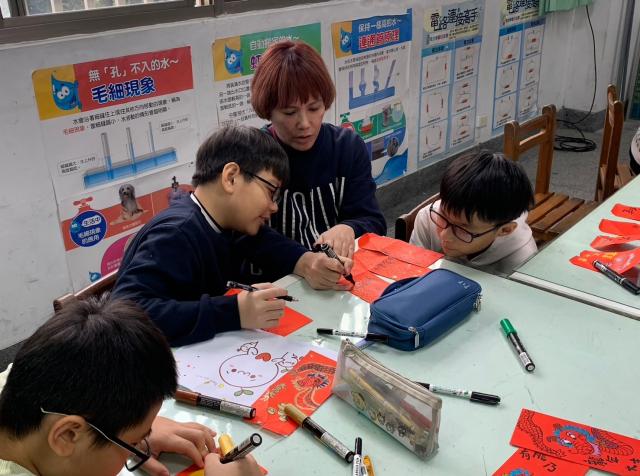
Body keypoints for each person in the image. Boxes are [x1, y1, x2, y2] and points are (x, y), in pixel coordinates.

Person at [112, 126, 352, 347]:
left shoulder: (222, 222)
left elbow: (265, 242)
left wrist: (308, 262)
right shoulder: (177, 233)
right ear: (231, 178)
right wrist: (233, 312)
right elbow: (123, 317)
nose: (274, 206)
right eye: (270, 191)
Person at [0, 296, 262, 476]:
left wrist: (136, 430)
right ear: (68, 435)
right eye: (135, 444)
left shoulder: (20, 385)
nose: (137, 449)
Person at [250, 40, 386, 259]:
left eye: (314, 108)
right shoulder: (252, 155)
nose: (305, 124)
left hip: (335, 269)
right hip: (277, 275)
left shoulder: (347, 148)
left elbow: (373, 221)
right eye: (289, 113)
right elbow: (242, 237)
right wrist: (301, 261)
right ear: (268, 111)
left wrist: (349, 228)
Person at [410, 151, 537, 275]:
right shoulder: (428, 218)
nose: (444, 235)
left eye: (462, 228)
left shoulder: (521, 264)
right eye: (443, 216)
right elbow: (411, 272)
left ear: (505, 230)